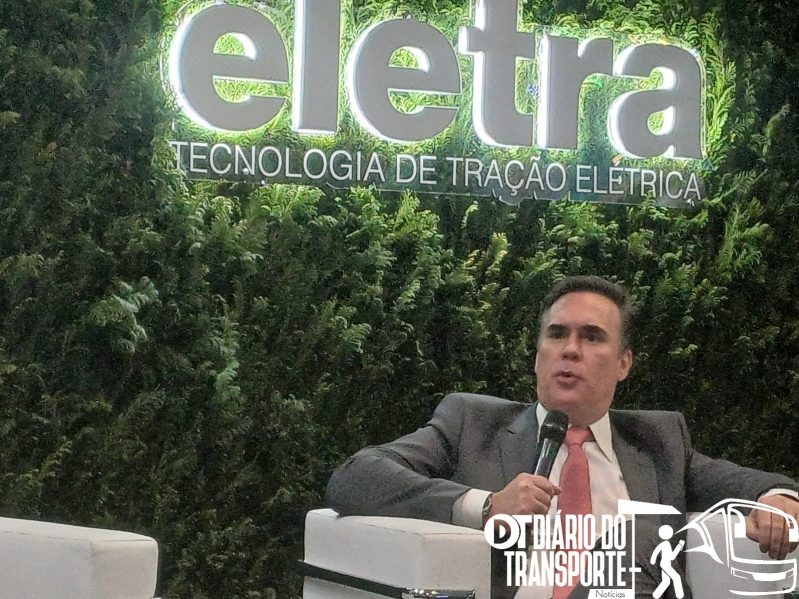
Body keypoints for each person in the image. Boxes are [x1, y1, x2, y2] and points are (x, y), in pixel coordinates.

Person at [326, 275, 799, 599]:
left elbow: (752, 484)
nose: (569, 350)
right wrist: (486, 506)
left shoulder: (660, 441)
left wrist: (778, 499)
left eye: (591, 337)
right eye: (556, 335)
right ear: (537, 357)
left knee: (629, 545)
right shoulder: (472, 424)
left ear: (623, 364)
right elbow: (355, 477)